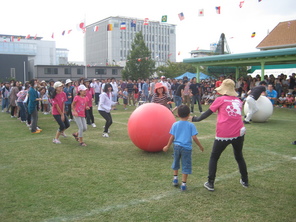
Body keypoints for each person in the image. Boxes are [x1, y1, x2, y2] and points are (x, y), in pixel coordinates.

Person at [191, 79, 249, 191]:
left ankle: (210, 182)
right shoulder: (238, 100)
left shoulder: (220, 99)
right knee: (239, 156)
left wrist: (195, 119)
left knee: (214, 157)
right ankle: (245, 180)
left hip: (224, 133)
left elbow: (207, 113)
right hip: (239, 132)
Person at [163, 105, 204, 191]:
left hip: (177, 147)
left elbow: (172, 137)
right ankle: (183, 184)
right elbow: (194, 137)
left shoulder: (175, 124)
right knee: (186, 165)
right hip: (186, 148)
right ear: (189, 114)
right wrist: (200, 146)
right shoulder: (191, 125)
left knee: (176, 162)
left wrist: (167, 146)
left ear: (178, 114)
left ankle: (175, 179)